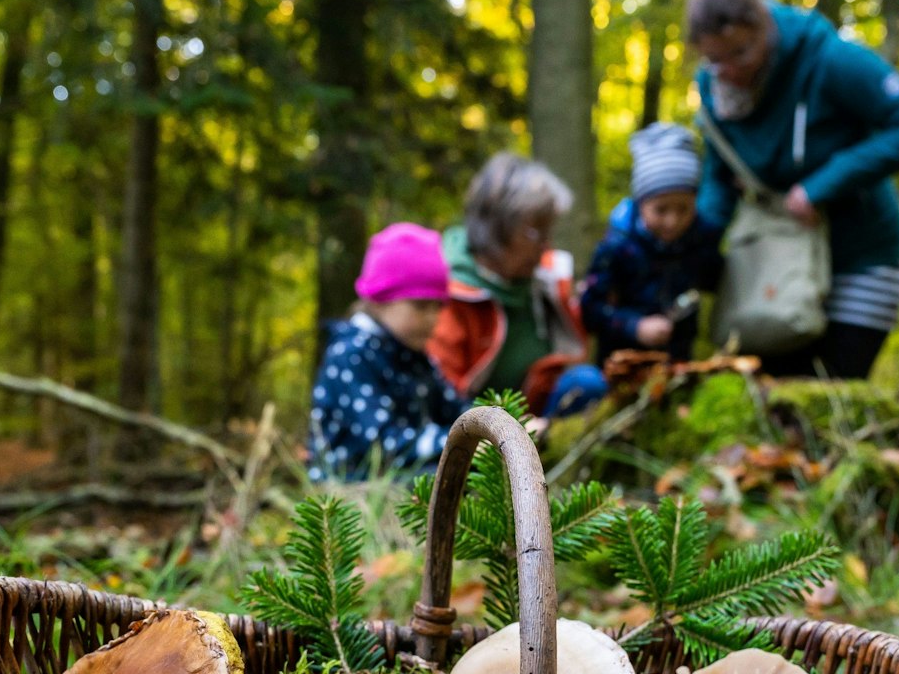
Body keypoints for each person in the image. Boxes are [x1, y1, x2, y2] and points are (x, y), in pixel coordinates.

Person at [687, 0, 899, 379]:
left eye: (741, 51)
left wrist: (822, 185)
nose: (731, 69)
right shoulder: (716, 91)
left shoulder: (830, 61)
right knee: (772, 394)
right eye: (716, 58)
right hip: (778, 262)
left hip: (860, 256)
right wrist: (696, 246)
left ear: (763, 25)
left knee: (829, 392)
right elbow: (719, 177)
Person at [431, 152, 603, 416]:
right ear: (496, 227)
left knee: (587, 384)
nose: (546, 245)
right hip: (474, 432)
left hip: (536, 422)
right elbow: (441, 396)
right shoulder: (448, 292)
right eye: (536, 232)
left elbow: (575, 353)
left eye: (549, 231)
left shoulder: (545, 280)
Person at [308, 223, 468, 482]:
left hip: (408, 479)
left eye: (438, 306)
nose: (432, 319)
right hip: (351, 495)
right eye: (420, 306)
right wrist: (458, 441)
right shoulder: (351, 355)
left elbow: (455, 409)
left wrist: (498, 427)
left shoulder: (415, 356)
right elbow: (383, 444)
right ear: (380, 299)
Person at [580, 123, 726, 363]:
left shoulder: (699, 240)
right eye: (661, 210)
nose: (673, 221)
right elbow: (590, 311)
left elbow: (715, 279)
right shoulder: (616, 247)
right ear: (641, 202)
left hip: (678, 363)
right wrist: (634, 326)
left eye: (683, 209)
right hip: (620, 365)